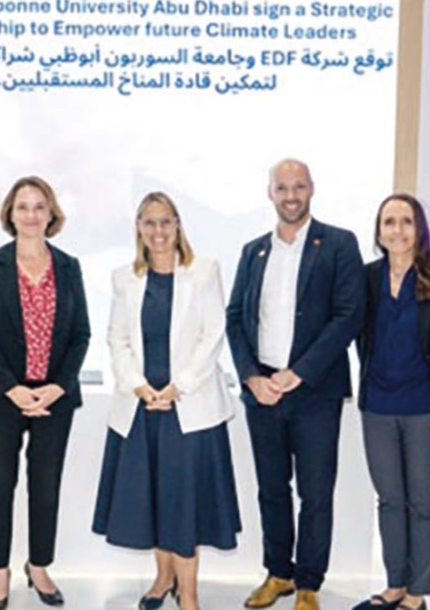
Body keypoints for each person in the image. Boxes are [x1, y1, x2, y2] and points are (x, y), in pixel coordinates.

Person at [226, 159, 366, 610]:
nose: (291, 196)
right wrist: (252, 376)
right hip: (262, 392)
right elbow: (235, 317)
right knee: (271, 490)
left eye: (298, 187)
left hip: (315, 392)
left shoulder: (339, 244)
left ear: (311, 189)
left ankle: (309, 583)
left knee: (316, 493)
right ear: (270, 192)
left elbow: (349, 315)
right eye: (282, 187)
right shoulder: (253, 251)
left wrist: (298, 372)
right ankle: (278, 573)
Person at [93, 192, 240, 610]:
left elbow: (213, 333)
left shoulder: (204, 271)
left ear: (177, 225)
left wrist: (179, 387)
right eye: (149, 222)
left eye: (165, 222)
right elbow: (117, 339)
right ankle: (162, 580)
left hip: (189, 408)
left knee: (184, 504)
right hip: (141, 408)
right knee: (154, 501)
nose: (158, 231)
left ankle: (188, 593)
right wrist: (138, 386)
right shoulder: (124, 278)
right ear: (138, 228)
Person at [0, 176, 91, 610]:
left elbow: (80, 334)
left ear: (51, 213)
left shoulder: (69, 267)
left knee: (46, 487)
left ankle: (38, 566)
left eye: (40, 206)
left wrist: (57, 387)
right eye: (23, 206)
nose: (31, 215)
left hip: (55, 399)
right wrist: (13, 389)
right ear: (10, 214)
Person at [352, 194, 430, 610]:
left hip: (426, 408)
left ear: (420, 229)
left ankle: (416, 593)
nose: (397, 230)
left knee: (422, 503)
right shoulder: (366, 278)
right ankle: (394, 585)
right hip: (377, 406)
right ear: (378, 230)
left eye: (406, 221)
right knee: (389, 501)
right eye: (389, 222)